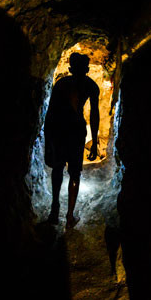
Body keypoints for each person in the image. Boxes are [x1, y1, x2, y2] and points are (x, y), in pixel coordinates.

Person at [44, 52, 100, 228]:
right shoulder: (91, 85)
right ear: (87, 69)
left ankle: (55, 210)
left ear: (70, 68)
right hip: (76, 131)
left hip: (60, 130)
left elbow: (50, 113)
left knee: (58, 168)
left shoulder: (61, 84)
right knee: (75, 173)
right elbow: (95, 115)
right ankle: (70, 216)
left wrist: (48, 139)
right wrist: (94, 141)